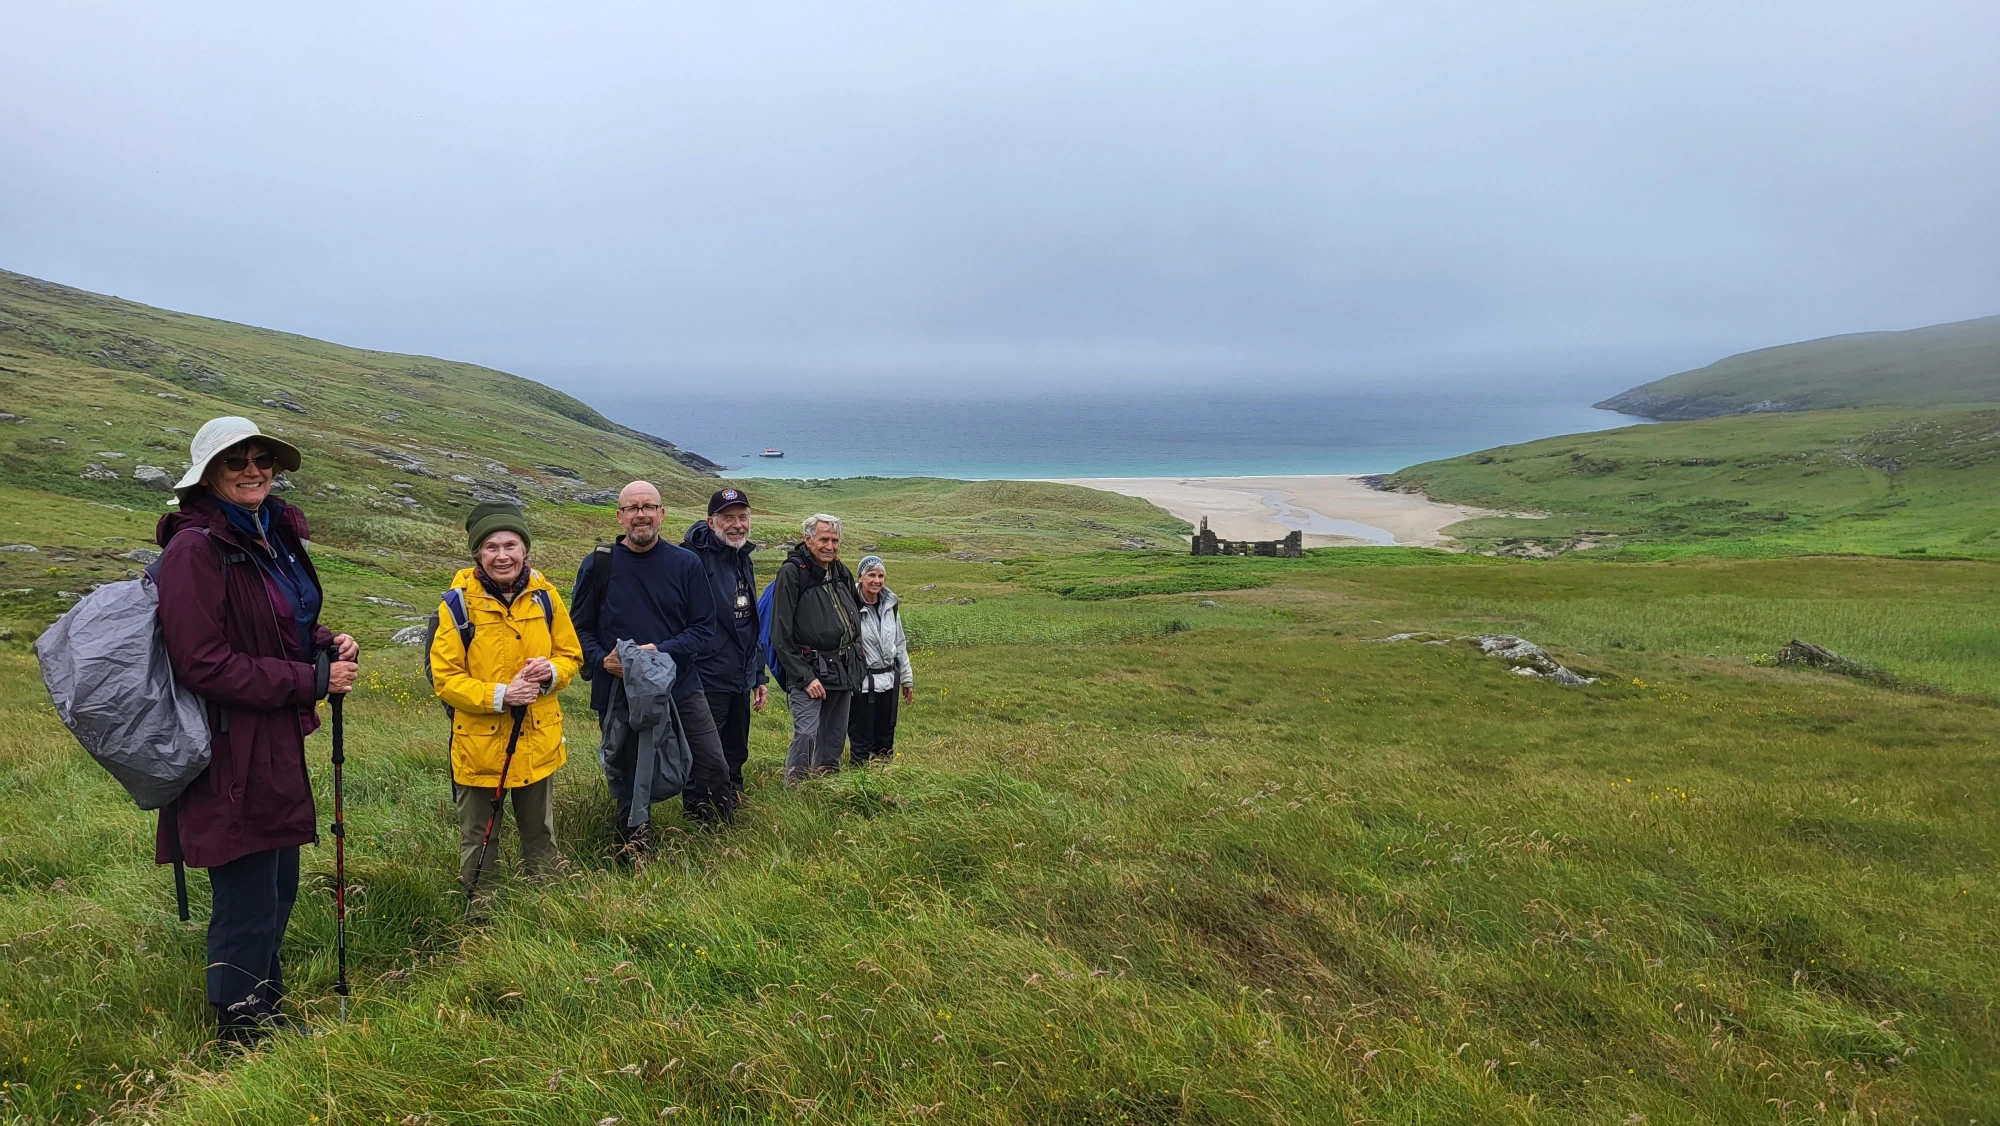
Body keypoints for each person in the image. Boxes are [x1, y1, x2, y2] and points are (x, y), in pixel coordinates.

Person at [153, 415, 359, 1045]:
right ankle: (240, 1032)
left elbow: (280, 624)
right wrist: (309, 680)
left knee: (276, 888)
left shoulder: (270, 534)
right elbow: (201, 663)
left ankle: (266, 1012)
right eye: (235, 461)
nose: (253, 470)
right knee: (246, 895)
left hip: (274, 739)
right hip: (226, 749)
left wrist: (325, 643)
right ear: (207, 475)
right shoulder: (195, 550)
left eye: (261, 459)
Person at [428, 503, 584, 899]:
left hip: (537, 742)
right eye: (491, 547)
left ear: (524, 550)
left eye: (510, 545)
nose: (502, 556)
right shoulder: (457, 604)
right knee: (479, 839)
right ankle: (479, 915)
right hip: (478, 747)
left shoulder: (545, 597)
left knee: (541, 835)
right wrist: (502, 695)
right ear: (477, 554)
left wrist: (550, 672)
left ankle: (545, 908)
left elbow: (570, 655)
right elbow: (446, 679)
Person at [571, 480, 735, 842]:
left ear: (662, 514)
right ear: (620, 516)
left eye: (648, 507)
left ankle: (716, 841)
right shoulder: (599, 565)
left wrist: (659, 653)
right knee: (629, 774)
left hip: (681, 686)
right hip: (621, 692)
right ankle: (634, 849)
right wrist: (601, 661)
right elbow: (578, 629)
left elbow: (703, 628)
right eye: (632, 508)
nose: (641, 515)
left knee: (711, 765)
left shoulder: (685, 564)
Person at [681, 487, 769, 797]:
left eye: (742, 517)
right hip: (706, 678)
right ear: (711, 522)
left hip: (739, 676)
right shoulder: (690, 559)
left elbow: (748, 622)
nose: (737, 525)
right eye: (728, 518)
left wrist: (758, 674)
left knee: (735, 749)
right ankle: (702, 813)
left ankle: (732, 802)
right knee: (705, 754)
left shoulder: (742, 557)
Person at [768, 513, 864, 784]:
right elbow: (779, 634)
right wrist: (805, 677)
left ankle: (827, 786)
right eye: (824, 539)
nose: (830, 546)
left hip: (842, 667)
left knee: (834, 736)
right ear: (808, 540)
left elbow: (854, 612)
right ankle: (796, 789)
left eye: (835, 540)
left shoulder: (840, 571)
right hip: (809, 669)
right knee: (807, 734)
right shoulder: (792, 573)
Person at [848, 555, 914, 766]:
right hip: (862, 683)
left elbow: (899, 643)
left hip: (889, 681)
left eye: (881, 576)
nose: (877, 580)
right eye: (871, 575)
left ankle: (884, 777)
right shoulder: (850, 605)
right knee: (861, 738)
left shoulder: (890, 605)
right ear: (860, 577)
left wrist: (907, 679)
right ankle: (858, 778)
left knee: (885, 738)